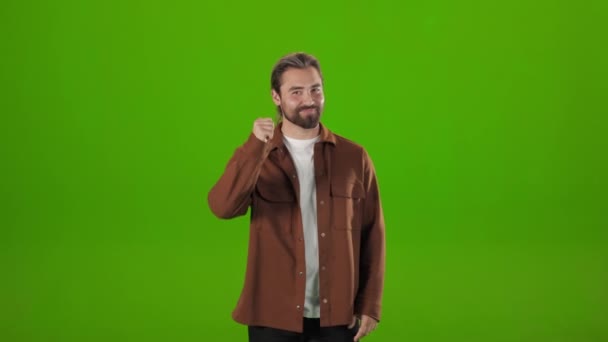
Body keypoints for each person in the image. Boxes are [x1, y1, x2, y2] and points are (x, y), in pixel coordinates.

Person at [208, 52, 386, 342]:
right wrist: (254, 146)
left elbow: (373, 234)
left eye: (316, 89)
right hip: (272, 315)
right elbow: (222, 206)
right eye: (296, 91)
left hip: (339, 315)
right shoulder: (258, 155)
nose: (309, 99)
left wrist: (370, 304)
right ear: (276, 97)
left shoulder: (354, 157)